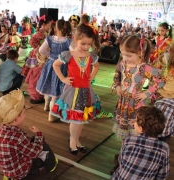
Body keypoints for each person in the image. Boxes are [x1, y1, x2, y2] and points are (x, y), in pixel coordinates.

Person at [51, 23, 101, 155]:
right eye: (83, 43)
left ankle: (77, 140)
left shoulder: (91, 56)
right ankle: (72, 140)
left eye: (89, 44)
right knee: (75, 117)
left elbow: (96, 67)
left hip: (86, 90)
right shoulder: (68, 54)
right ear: (75, 39)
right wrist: (63, 79)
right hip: (73, 91)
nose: (86, 47)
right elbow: (55, 65)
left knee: (82, 117)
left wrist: (91, 76)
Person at [0, 89, 58, 180]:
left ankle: (9, 176)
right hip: (20, 171)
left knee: (30, 143)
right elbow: (34, 152)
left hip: (6, 169)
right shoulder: (19, 136)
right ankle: (51, 165)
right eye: (24, 113)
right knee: (42, 146)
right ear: (16, 118)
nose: (25, 114)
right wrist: (38, 135)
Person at [112, 35, 164, 143]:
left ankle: (135, 148)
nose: (125, 58)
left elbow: (161, 81)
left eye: (129, 55)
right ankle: (125, 149)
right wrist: (117, 86)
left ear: (139, 53)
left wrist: (147, 93)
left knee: (137, 130)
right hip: (124, 103)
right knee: (124, 131)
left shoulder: (145, 68)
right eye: (123, 54)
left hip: (137, 104)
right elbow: (117, 75)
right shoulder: (122, 64)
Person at [111, 106, 170, 180]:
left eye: (135, 121)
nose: (133, 124)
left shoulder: (129, 139)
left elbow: (121, 160)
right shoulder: (164, 148)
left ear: (141, 128)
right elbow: (163, 174)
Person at [36, 19, 72, 121]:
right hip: (61, 66)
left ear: (56, 28)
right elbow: (73, 53)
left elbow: (41, 50)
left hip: (50, 64)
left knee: (49, 85)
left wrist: (50, 55)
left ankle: (46, 105)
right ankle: (52, 115)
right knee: (56, 90)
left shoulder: (49, 39)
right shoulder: (69, 41)